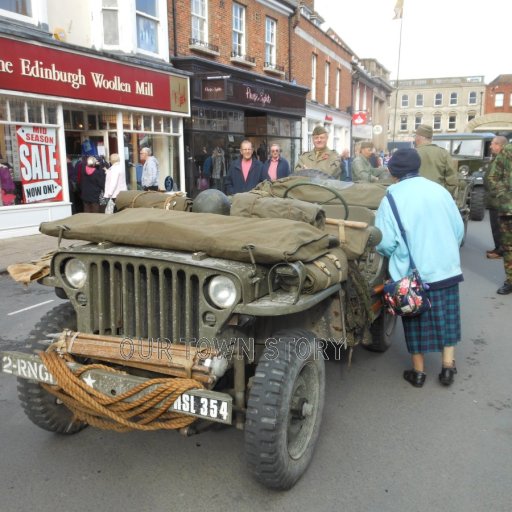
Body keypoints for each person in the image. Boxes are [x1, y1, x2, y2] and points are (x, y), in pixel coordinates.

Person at [375, 148, 464, 388]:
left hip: (413, 276)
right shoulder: (440, 191)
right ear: (418, 167)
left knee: (415, 323)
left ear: (393, 172)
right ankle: (447, 368)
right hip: (446, 269)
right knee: (448, 319)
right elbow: (458, 230)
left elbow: (384, 243)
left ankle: (418, 373)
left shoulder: (391, 198)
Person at [485, 140, 512, 295]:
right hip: (508, 209)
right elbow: (492, 176)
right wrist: (504, 194)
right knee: (508, 248)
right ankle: (510, 281)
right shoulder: (507, 151)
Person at [415, 124, 458, 198]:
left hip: (416, 196)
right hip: (438, 196)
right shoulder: (444, 153)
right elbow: (452, 181)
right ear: (431, 138)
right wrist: (444, 195)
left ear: (418, 137)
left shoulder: (412, 153)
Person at [484, 136, 508, 260]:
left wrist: (498, 193)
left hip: (499, 200)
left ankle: (501, 250)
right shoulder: (497, 158)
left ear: (500, 145)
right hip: (494, 199)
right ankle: (498, 247)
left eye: (493, 144)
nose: (490, 146)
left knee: (500, 227)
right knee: (495, 226)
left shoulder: (503, 159)